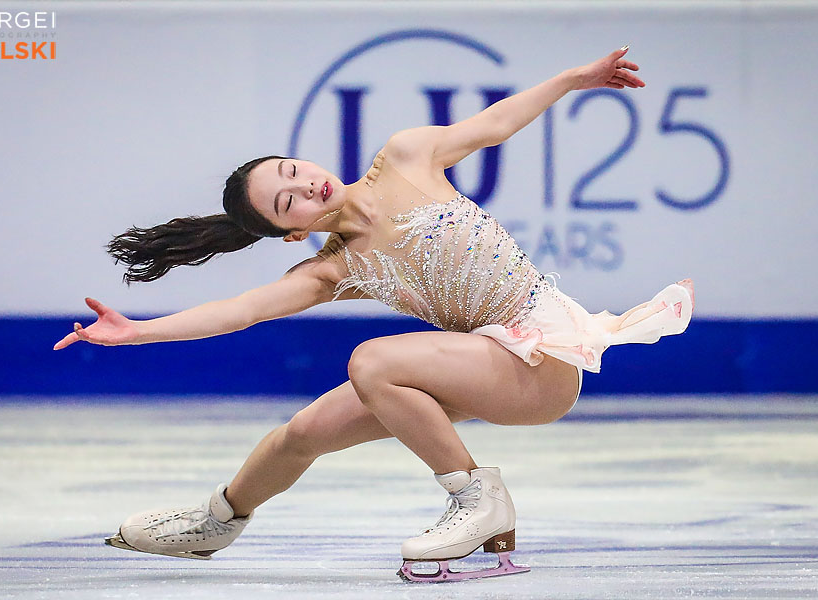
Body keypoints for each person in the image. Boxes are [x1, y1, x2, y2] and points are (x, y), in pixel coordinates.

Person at [54, 45, 693, 582]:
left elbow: (494, 125)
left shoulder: (406, 155)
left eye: (292, 171)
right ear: (288, 232)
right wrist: (139, 331)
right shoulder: (330, 270)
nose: (305, 186)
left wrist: (572, 80)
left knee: (373, 361)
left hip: (543, 363)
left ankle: (476, 497)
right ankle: (217, 521)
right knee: (303, 433)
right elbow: (239, 310)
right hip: (486, 361)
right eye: (287, 201)